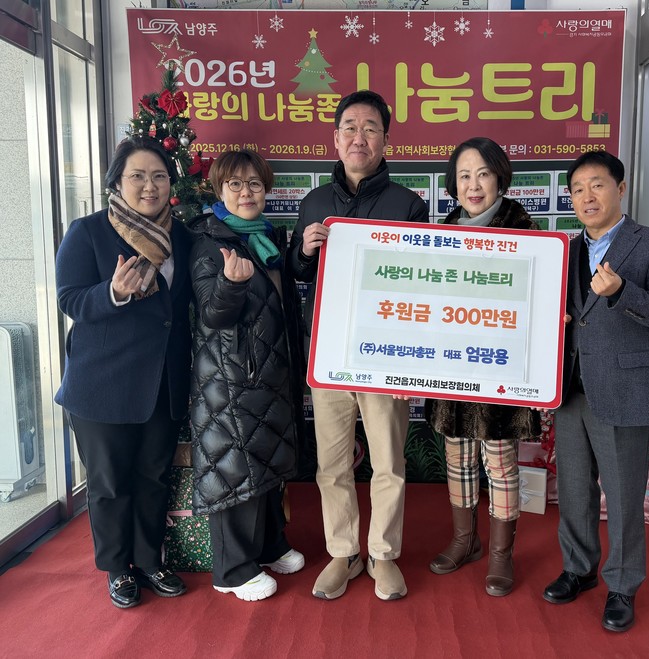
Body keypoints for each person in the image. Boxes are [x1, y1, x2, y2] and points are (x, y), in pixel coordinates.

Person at [290, 90, 429, 601]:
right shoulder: (313, 202)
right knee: (332, 464)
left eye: (370, 128)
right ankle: (344, 553)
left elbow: (421, 284)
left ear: (385, 140)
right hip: (328, 354)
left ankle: (383, 555)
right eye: (350, 127)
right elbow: (297, 271)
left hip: (384, 356)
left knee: (388, 462)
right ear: (335, 138)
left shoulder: (408, 205)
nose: (359, 137)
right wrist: (305, 252)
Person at [542, 150, 649, 632]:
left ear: (620, 189)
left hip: (626, 388)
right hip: (571, 388)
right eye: (578, 189)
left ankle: (623, 585)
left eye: (598, 185)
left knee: (624, 497)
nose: (587, 196)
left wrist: (623, 292)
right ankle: (579, 569)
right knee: (574, 489)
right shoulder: (564, 250)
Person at [55, 136, 191, 609]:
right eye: (137, 176)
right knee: (110, 483)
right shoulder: (88, 232)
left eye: (159, 176)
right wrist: (112, 293)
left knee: (154, 477)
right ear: (117, 183)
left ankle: (150, 560)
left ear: (170, 183)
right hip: (102, 385)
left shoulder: (182, 236)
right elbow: (70, 298)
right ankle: (118, 570)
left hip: (162, 383)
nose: (149, 186)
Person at [425, 137, 541, 597]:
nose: (473, 186)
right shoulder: (442, 232)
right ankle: (465, 539)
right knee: (457, 457)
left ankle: (500, 553)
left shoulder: (524, 229)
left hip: (501, 366)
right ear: (454, 184)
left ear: (499, 178)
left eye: (483, 174)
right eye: (464, 176)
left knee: (500, 461)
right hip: (452, 363)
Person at [188, 149, 306, 602]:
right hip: (231, 377)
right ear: (219, 190)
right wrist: (230, 284)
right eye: (235, 184)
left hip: (268, 372)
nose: (246, 192)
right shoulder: (210, 241)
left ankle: (270, 545)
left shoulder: (265, 238)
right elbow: (212, 314)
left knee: (267, 463)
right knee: (235, 468)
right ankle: (232, 569)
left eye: (254, 183)